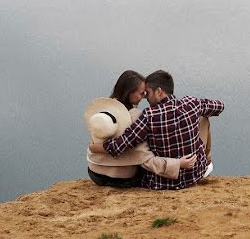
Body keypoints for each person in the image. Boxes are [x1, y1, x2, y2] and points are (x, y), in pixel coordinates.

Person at [90, 69, 224, 190]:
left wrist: (96, 147)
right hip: (194, 174)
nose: (145, 98)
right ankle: (206, 163)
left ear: (159, 91)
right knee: (204, 118)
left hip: (161, 182)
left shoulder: (149, 115)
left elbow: (122, 144)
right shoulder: (192, 103)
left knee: (144, 144)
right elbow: (220, 106)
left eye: (147, 93)